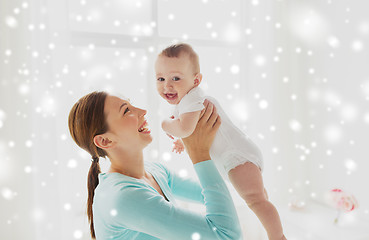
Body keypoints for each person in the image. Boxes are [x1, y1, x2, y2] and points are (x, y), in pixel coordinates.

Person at [68, 91, 242, 240]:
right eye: (126, 110)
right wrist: (199, 154)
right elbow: (227, 235)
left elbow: (215, 197)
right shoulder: (124, 197)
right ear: (105, 141)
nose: (142, 111)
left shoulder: (154, 172)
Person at [155, 43, 286, 240]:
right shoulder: (187, 101)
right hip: (237, 156)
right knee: (259, 198)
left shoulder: (191, 99)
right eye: (161, 78)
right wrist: (183, 141)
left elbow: (186, 128)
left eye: (176, 78)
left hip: (237, 158)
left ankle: (278, 237)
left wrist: (165, 124)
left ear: (196, 80)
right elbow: (193, 130)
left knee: (256, 201)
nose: (168, 85)